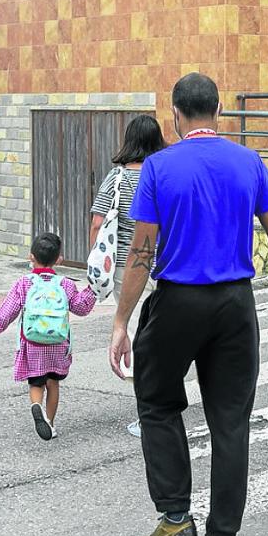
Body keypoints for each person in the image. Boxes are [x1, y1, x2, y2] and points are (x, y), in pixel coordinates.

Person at [108, 72, 268, 536]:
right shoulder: (249, 160)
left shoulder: (158, 167)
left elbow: (141, 252)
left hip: (178, 304)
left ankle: (175, 516)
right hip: (236, 305)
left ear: (175, 114)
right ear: (218, 111)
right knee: (230, 421)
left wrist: (121, 320)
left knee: (156, 401)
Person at [89, 114, 166, 437]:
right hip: (163, 264)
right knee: (160, 330)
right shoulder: (162, 174)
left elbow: (97, 222)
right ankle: (164, 399)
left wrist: (97, 254)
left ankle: (147, 414)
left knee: (134, 331)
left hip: (126, 267)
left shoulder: (117, 177)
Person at [0, 233, 97, 440]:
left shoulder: (24, 283)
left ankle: (36, 406)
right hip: (58, 343)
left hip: (33, 342)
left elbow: (7, 312)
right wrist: (93, 290)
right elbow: (81, 308)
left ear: (31, 257)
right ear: (59, 259)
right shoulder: (66, 284)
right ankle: (50, 424)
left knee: (36, 383)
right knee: (53, 383)